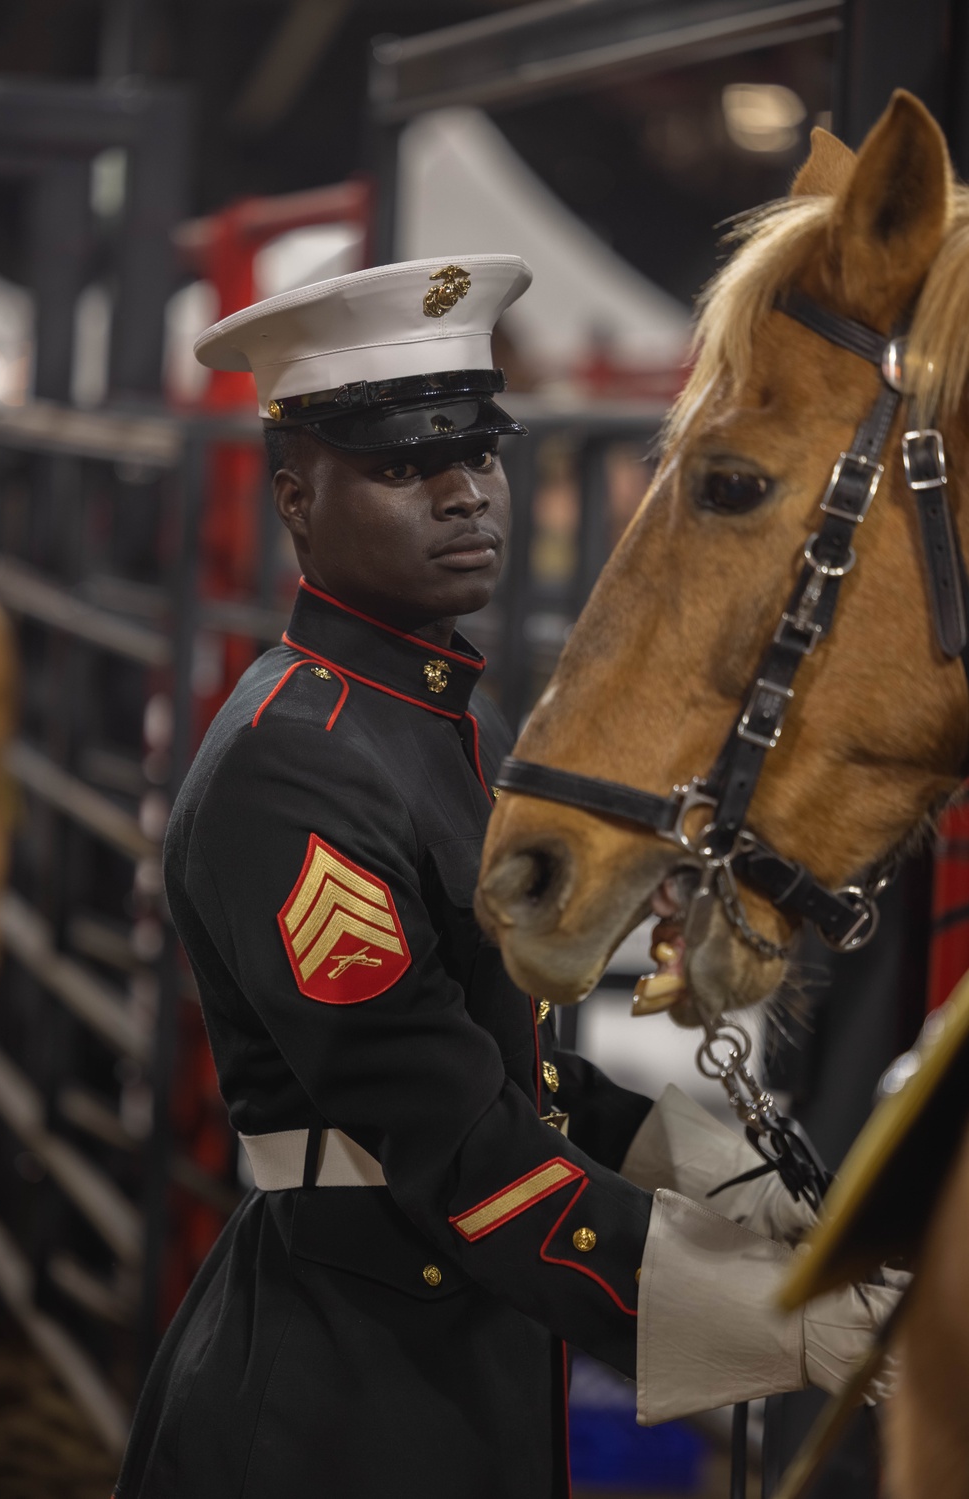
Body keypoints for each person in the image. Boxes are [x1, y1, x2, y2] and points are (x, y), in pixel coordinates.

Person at [114, 255, 899, 1499]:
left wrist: (702, 1160)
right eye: (399, 464)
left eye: (477, 452)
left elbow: (501, 1060)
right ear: (295, 498)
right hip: (347, 1396)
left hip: (449, 1341)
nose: (464, 492)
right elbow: (453, 1142)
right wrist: (773, 1310)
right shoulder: (292, 767)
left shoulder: (437, 721)